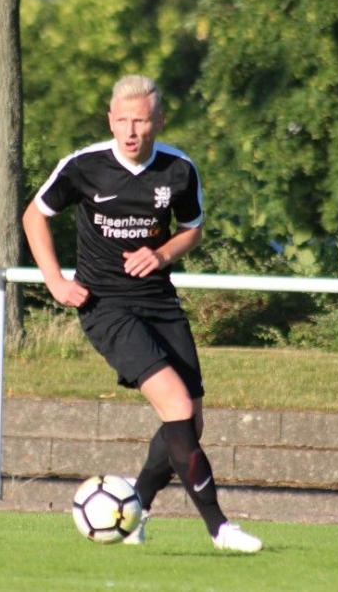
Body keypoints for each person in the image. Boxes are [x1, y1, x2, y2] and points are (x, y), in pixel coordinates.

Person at [22, 74, 263, 553]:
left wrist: (162, 253)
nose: (131, 131)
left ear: (159, 122)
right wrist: (55, 281)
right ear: (110, 120)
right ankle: (220, 528)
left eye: (141, 121)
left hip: (159, 302)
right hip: (105, 306)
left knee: (190, 422)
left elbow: (192, 229)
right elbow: (35, 216)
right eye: (123, 120)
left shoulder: (179, 170)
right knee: (176, 405)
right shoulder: (84, 166)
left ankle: (137, 508)